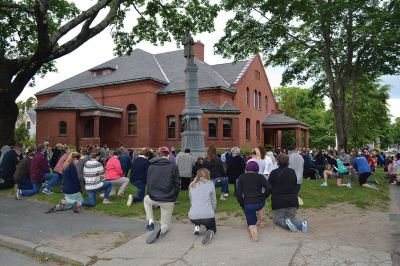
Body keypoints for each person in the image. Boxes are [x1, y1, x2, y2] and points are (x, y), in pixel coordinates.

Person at [144, 146, 180, 244]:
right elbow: (177, 184)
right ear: (168, 155)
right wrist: (174, 197)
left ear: (158, 155)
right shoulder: (173, 166)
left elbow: (149, 182)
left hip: (153, 197)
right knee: (165, 224)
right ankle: (162, 229)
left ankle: (150, 221)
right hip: (168, 199)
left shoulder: (151, 166)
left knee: (146, 200)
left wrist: (151, 193)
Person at [269, 153, 310, 233]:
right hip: (292, 201)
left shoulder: (274, 173)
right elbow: (294, 184)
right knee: (292, 218)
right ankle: (302, 224)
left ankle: (287, 224)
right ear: (288, 162)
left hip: (278, 201)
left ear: (278, 161)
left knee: (277, 219)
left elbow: (269, 185)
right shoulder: (292, 172)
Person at [236, 161, 271, 241]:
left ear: (247, 168)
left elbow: (238, 194)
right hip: (260, 202)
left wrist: (242, 204)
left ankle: (253, 228)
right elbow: (269, 187)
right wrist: (264, 196)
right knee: (259, 209)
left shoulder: (241, 177)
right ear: (257, 169)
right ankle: (261, 220)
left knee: (251, 221)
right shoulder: (260, 177)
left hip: (248, 203)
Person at [188, 168, 217, 245]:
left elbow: (191, 200)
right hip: (207, 216)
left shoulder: (192, 185)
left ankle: (197, 226)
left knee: (197, 208)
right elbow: (213, 200)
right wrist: (212, 210)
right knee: (212, 228)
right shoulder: (210, 183)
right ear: (208, 175)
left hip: (193, 217)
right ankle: (210, 231)